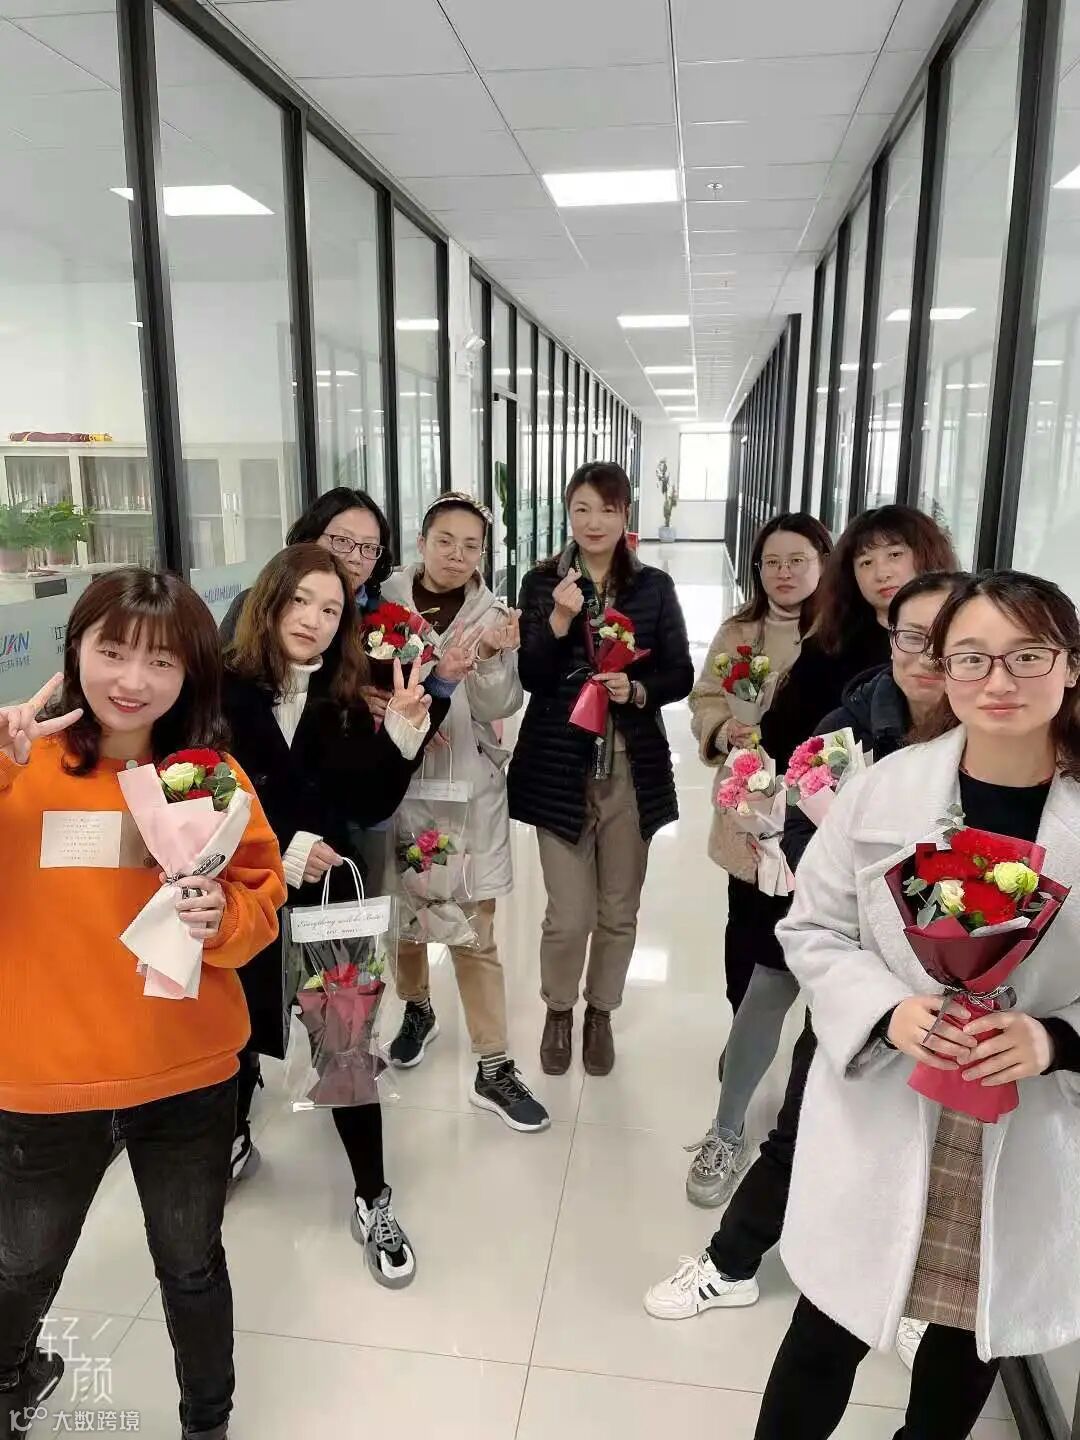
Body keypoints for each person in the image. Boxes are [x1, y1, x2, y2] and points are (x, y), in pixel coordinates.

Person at [752, 569, 1080, 1439]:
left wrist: (1054, 1039)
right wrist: (886, 1012)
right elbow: (812, 927)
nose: (999, 681)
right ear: (943, 667)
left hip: (1025, 1117)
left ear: (1071, 666)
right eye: (972, 658)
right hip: (890, 1098)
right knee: (826, 1331)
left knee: (968, 1343)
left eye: (1028, 655)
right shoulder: (883, 792)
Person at [0, 569, 285, 1440]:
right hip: (45, 1078)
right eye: (113, 651)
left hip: (185, 1070)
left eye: (161, 661)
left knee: (191, 1264)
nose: (132, 680)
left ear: (191, 672)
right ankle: (10, 1382)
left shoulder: (210, 778)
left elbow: (260, 898)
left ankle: (207, 1420)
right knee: (20, 1266)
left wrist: (221, 919)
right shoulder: (20, 765)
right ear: (75, 651)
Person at [646, 569, 968, 1319]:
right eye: (910, 638)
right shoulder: (851, 719)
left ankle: (904, 1296)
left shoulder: (995, 744)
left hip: (955, 982)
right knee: (804, 1108)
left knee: (930, 1141)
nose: (926, 657)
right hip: (854, 961)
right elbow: (797, 820)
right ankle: (732, 1259)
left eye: (947, 643)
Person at [682, 505, 958, 1204]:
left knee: (855, 1022)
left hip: (921, 884)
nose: (881, 572)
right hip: (806, 847)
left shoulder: (969, 652)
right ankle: (727, 1127)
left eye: (894, 555)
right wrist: (766, 788)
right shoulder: (837, 646)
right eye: (865, 561)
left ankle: (817, 1158)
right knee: (767, 977)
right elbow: (785, 738)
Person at [221, 543, 468, 1288]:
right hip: (243, 892)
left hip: (332, 899)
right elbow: (201, 794)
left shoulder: (345, 696)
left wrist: (403, 735)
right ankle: (233, 1138)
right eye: (301, 601)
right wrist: (280, 849)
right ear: (269, 602)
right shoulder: (220, 690)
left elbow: (368, 802)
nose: (315, 620)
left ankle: (372, 1195)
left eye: (332, 609)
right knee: (237, 1030)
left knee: (347, 1045)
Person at [509, 462, 694, 1077]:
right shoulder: (542, 583)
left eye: (607, 510)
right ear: (568, 513)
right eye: (581, 509)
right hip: (558, 767)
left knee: (618, 909)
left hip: (629, 770)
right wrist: (558, 621)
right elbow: (531, 676)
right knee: (569, 915)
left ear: (625, 516)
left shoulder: (654, 587)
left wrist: (636, 691)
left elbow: (680, 673)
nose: (593, 522)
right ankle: (558, 1010)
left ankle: (601, 1012)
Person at [379, 493, 550, 1133]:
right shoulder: (382, 602)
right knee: (404, 917)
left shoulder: (493, 615)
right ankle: (417, 1007)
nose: (456, 555)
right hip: (398, 781)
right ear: (422, 541)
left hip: (466, 787)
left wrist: (495, 656)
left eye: (471, 546)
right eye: (445, 541)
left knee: (475, 928)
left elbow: (500, 705)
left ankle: (494, 1063)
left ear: (484, 554)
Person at [691, 513, 833, 1020]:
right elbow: (706, 697)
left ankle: (814, 1040)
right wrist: (723, 728)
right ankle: (743, 1030)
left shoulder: (838, 634)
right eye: (771, 562)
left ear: (824, 563)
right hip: (750, 807)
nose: (783, 572)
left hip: (819, 807)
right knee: (747, 925)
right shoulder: (739, 630)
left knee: (817, 927)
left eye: (797, 560)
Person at [219, 487, 394, 643]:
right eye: (342, 540)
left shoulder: (386, 615)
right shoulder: (255, 603)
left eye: (369, 547)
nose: (356, 558)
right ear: (310, 539)